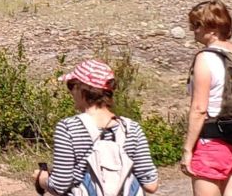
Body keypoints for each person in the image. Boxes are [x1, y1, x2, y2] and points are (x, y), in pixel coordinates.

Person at [33, 59, 161, 196]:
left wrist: (41, 178)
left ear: (80, 89)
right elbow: (151, 185)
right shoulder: (132, 129)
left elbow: (59, 185)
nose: (70, 92)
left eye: (71, 86)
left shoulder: (68, 128)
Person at [180, 1, 232, 196]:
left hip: (211, 143)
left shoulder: (206, 58)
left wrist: (187, 149)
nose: (193, 31)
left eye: (196, 25)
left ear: (212, 28)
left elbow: (200, 108)